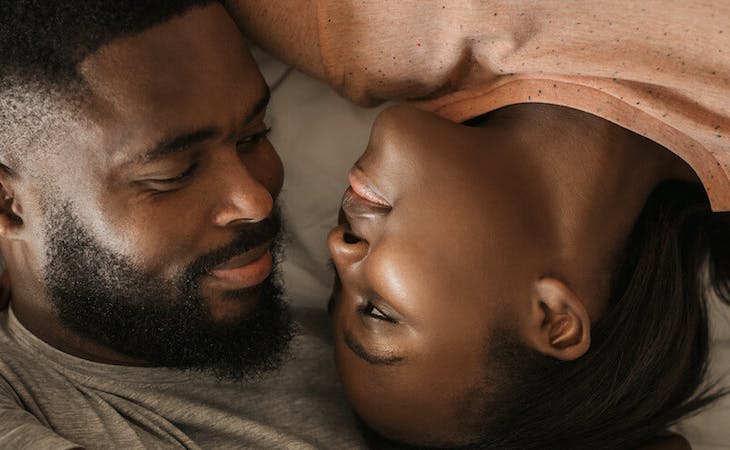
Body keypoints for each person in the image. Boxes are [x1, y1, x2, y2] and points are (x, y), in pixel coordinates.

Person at [226, 0, 730, 448]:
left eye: (337, 287)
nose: (337, 247)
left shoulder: (348, 26)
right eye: (377, 311)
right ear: (553, 319)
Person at [0, 1, 364, 448]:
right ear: (9, 205)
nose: (256, 200)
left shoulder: (354, 302)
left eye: (254, 135)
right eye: (173, 174)